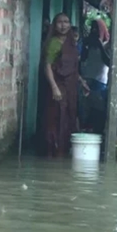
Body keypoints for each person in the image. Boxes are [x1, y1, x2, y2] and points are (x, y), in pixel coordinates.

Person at [39, 13, 89, 157]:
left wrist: (81, 81)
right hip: (58, 85)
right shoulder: (54, 42)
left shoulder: (71, 42)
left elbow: (73, 66)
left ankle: (64, 149)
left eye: (66, 22)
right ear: (55, 25)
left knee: (69, 117)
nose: (63, 25)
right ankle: (53, 150)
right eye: (60, 22)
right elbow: (47, 66)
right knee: (56, 118)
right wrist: (54, 87)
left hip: (71, 87)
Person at [79, 19, 117, 134]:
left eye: (97, 28)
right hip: (92, 80)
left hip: (94, 80)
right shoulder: (89, 43)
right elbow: (85, 59)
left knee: (94, 109)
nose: (94, 31)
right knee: (95, 109)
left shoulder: (102, 45)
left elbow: (106, 62)